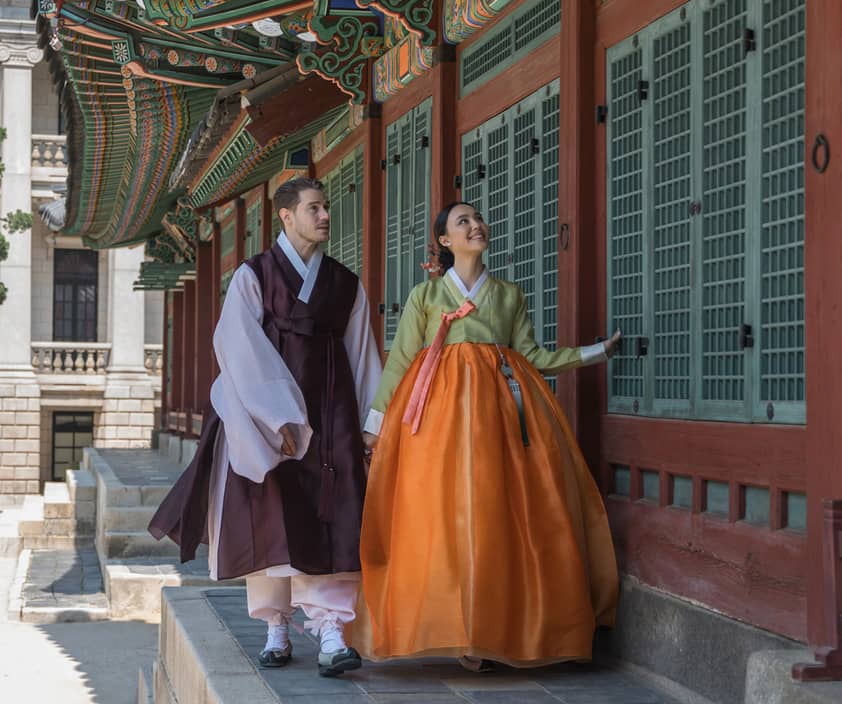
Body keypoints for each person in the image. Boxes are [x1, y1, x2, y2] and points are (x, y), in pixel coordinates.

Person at [352, 201, 621, 670]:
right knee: (445, 517)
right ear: (444, 241)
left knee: (496, 515)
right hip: (437, 424)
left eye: (477, 219)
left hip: (499, 421)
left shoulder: (509, 295)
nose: (476, 226)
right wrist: (376, 426)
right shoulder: (426, 296)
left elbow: (533, 357)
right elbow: (401, 363)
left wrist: (594, 353)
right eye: (463, 222)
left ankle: (492, 626)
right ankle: (458, 629)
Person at [149, 177, 383, 677]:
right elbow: (237, 347)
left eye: (325, 208)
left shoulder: (345, 284)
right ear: (286, 216)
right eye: (314, 208)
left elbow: (363, 355)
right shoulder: (254, 276)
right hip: (266, 418)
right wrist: (276, 417)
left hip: (331, 414)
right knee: (272, 522)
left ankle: (332, 632)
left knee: (333, 518)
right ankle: (276, 624)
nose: (324, 216)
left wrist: (369, 425)